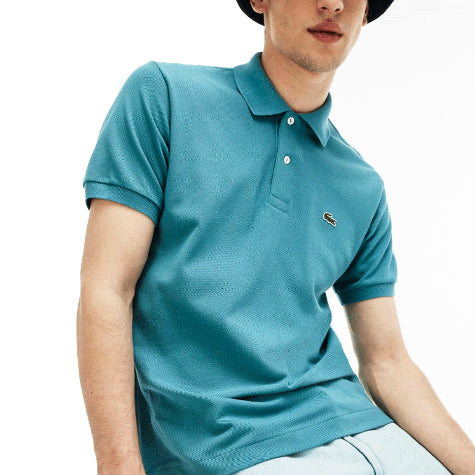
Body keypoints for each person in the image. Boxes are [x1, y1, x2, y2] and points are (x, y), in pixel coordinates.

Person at [76, 0, 475, 474]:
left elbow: (389, 363)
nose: (334, 4)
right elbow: (106, 289)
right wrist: (118, 465)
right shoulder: (165, 96)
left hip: (373, 435)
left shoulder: (362, 185)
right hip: (236, 449)